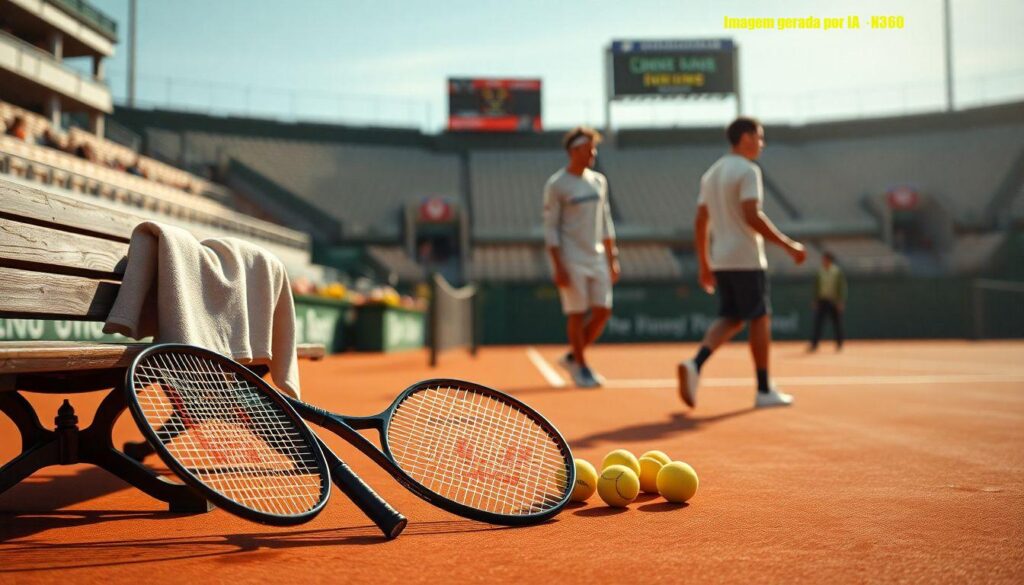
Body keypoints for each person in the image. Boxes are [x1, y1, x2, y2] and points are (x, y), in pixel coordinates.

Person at [678, 117, 806, 409]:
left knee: (732, 317)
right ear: (745, 137)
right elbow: (752, 215)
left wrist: (704, 263)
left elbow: (700, 221)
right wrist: (788, 245)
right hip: (746, 257)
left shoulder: (711, 174)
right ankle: (763, 388)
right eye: (759, 137)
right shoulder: (748, 170)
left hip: (721, 257)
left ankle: (695, 363)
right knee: (759, 318)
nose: (762, 143)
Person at [543, 126, 620, 388]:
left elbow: (606, 220)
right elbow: (550, 227)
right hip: (570, 258)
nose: (593, 153)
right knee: (577, 314)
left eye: (594, 148)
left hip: (596, 256)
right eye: (588, 149)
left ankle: (572, 357)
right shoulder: (557, 185)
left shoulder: (599, 181)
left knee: (603, 311)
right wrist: (558, 265)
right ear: (574, 151)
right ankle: (582, 367)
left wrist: (612, 257)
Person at [809, 252, 846, 352]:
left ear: (829, 260)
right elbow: (816, 287)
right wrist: (815, 300)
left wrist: (840, 301)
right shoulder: (819, 271)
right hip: (822, 301)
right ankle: (814, 345)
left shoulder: (837, 271)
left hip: (833, 301)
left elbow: (841, 287)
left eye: (825, 259)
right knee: (818, 324)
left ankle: (839, 344)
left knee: (837, 324)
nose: (823, 261)